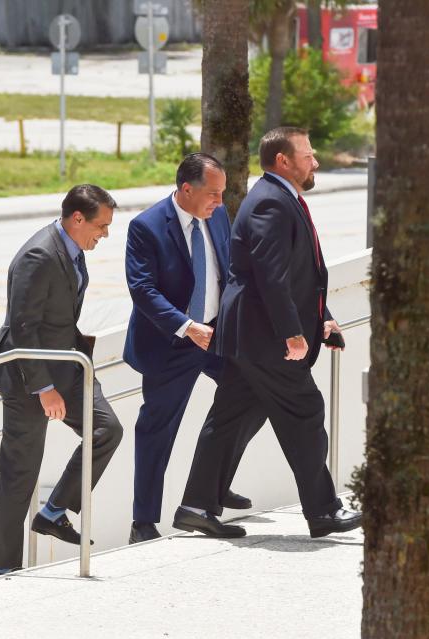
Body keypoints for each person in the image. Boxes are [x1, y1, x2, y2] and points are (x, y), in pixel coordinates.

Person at [174, 127, 362, 539]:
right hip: (265, 337)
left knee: (230, 417)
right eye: (307, 156)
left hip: (253, 335)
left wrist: (321, 318)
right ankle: (324, 510)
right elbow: (271, 277)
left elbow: (299, 274)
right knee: (306, 411)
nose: (315, 162)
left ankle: (196, 506)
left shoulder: (278, 199)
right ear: (283, 161)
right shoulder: (271, 203)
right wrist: (293, 333)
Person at [0, 184, 124, 576]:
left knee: (107, 429)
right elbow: (23, 328)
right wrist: (43, 387)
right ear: (77, 219)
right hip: (29, 376)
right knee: (19, 474)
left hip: (68, 366)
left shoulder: (73, 250)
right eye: (101, 225)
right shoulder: (38, 254)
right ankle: (0, 569)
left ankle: (54, 510)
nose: (105, 234)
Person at [123, 153, 253, 544]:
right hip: (171, 343)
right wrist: (185, 326)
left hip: (216, 337)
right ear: (185, 189)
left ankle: (213, 484)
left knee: (253, 392)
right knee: (156, 431)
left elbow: (229, 271)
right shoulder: (146, 227)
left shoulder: (218, 216)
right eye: (212, 193)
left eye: (222, 193)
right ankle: (143, 522)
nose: (219, 200)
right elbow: (142, 289)